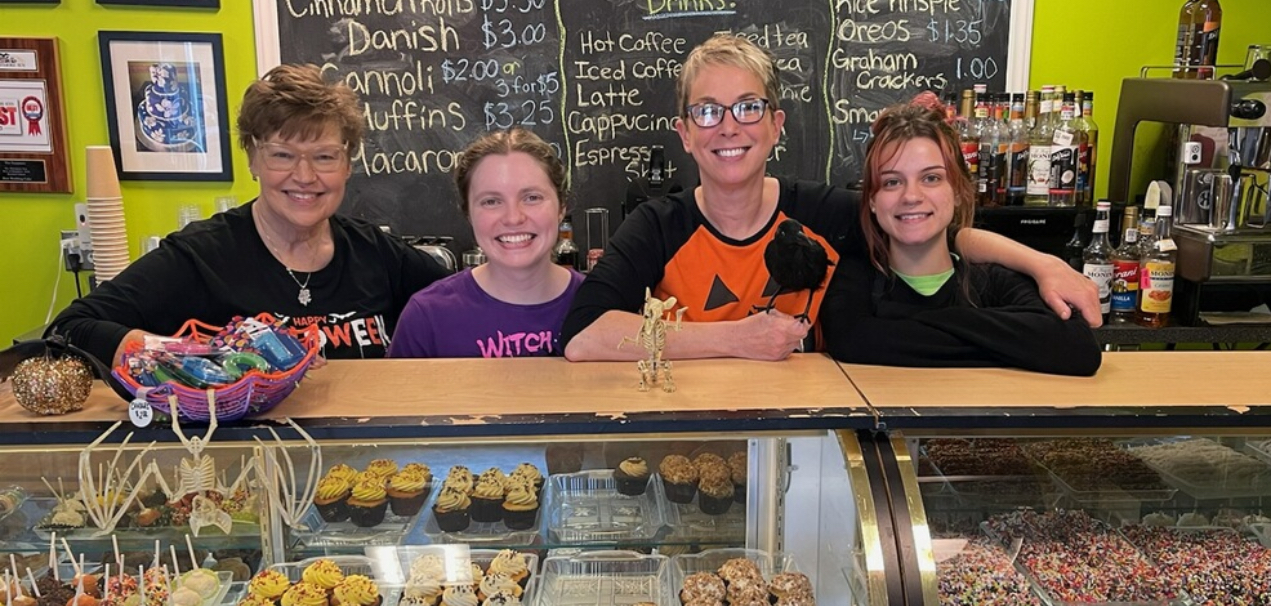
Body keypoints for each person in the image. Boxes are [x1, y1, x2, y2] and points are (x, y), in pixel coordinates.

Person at [560, 34, 1100, 362]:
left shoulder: (827, 213)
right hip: (695, 433)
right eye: (707, 111)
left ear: (776, 125)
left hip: (808, 443)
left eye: (747, 107)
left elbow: (934, 230)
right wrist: (734, 339)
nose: (727, 126)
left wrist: (1043, 262)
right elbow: (583, 336)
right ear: (684, 133)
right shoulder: (657, 225)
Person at [48, 64, 449, 367]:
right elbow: (69, 329)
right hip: (245, 453)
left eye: (325, 157)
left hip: (364, 449)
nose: (304, 176)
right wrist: (187, 354)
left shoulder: (377, 254)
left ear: (347, 165)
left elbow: (464, 302)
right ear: (253, 158)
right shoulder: (200, 256)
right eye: (282, 155)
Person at [821, 102, 1101, 375]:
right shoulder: (854, 276)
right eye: (892, 182)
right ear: (871, 200)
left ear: (957, 191)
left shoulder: (993, 281)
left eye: (931, 178)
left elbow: (1077, 348)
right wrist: (1005, 346)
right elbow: (853, 340)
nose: (911, 196)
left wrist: (902, 319)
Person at [388, 129, 584, 358]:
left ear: (561, 208)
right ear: (468, 214)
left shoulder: (601, 308)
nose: (513, 218)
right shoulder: (426, 317)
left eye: (532, 198)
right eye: (491, 201)